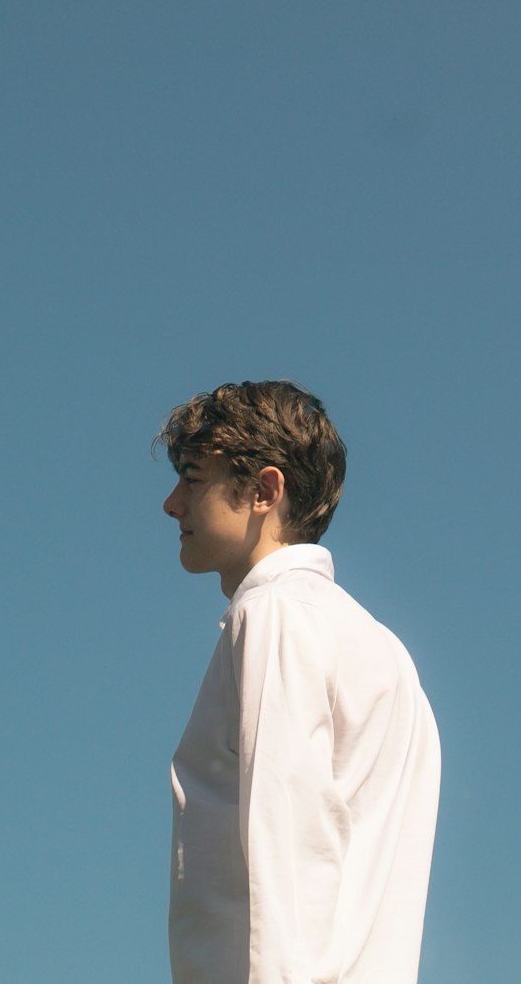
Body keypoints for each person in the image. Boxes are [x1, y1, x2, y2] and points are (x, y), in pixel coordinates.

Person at [157, 379, 441, 984]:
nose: (172, 503)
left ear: (264, 490)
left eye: (191, 477)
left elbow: (289, 844)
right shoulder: (387, 652)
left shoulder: (274, 617)